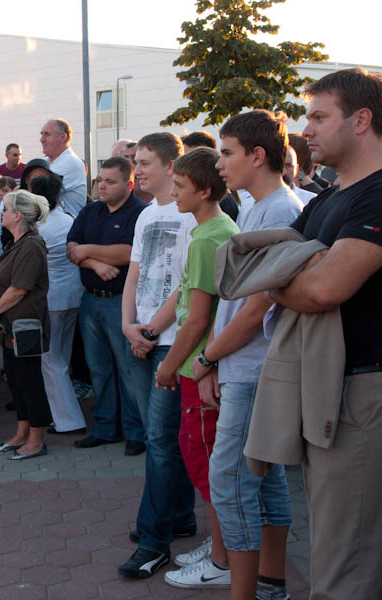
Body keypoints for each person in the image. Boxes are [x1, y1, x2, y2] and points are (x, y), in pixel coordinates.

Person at [268, 67, 382, 599]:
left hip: (367, 392)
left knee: (343, 566)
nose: (306, 130)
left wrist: (281, 281)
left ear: (361, 120)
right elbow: (267, 265)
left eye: (319, 117)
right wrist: (286, 276)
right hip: (334, 387)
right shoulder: (330, 196)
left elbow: (322, 289)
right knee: (351, 554)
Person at [187, 111, 301, 598]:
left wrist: (208, 358)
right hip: (243, 365)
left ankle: (246, 591)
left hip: (256, 368)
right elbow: (234, 299)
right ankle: (271, 587)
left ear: (257, 155)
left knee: (231, 483)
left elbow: (257, 309)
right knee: (262, 479)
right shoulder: (257, 207)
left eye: (227, 152)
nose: (219, 163)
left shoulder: (280, 212)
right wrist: (218, 360)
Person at [146, 146, 239, 591]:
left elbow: (198, 318)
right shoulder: (216, 228)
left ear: (203, 191)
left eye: (180, 186)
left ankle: (223, 560)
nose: (174, 193)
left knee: (206, 465)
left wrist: (170, 365)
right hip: (204, 365)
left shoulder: (207, 238)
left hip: (197, 370)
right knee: (208, 462)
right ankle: (221, 545)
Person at [117, 133, 197, 579]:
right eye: (136, 162)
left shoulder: (191, 215)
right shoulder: (146, 214)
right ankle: (179, 515)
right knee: (161, 438)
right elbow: (134, 274)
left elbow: (188, 286)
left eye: (145, 162)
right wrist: (128, 324)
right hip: (139, 336)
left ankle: (154, 541)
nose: (138, 170)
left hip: (170, 341)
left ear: (171, 167)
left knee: (162, 442)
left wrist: (150, 330)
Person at [67, 156, 146, 451]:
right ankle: (105, 428)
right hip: (91, 300)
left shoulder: (140, 213)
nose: (102, 186)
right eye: (101, 180)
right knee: (98, 369)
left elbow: (129, 253)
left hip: (121, 302)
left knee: (128, 370)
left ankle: (136, 433)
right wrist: (96, 264)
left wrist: (87, 250)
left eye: (110, 182)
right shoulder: (90, 210)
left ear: (129, 184)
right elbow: (71, 248)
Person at [0, 190, 51, 458]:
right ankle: (22, 432)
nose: (2, 213)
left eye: (6, 209)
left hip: (25, 327)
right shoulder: (16, 243)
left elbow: (19, 288)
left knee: (30, 382)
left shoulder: (31, 246)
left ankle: (37, 439)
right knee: (15, 381)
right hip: (10, 326)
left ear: (18, 215)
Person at [30, 173, 86, 434]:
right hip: (73, 295)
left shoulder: (39, 227)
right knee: (60, 359)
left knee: (52, 361)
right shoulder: (68, 219)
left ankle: (67, 419)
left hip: (51, 300)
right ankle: (63, 416)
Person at [40, 118, 87, 216]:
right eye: (42, 134)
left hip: (65, 224)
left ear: (63, 137)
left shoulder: (71, 162)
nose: (42, 139)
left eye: (47, 134)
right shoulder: (44, 161)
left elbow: (38, 193)